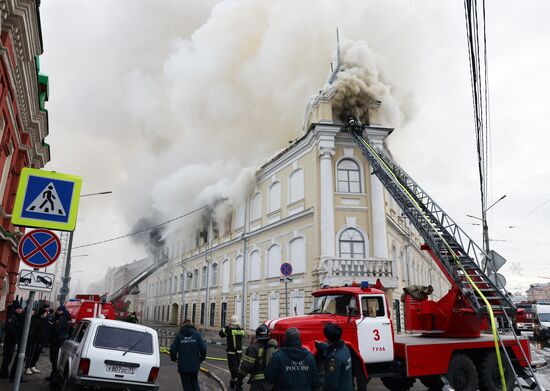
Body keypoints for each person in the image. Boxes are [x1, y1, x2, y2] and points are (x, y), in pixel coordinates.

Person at [237, 324, 278, 391]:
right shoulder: (273, 347)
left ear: (257, 335)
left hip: (258, 385)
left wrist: (239, 380)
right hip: (272, 384)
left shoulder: (253, 348)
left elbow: (246, 366)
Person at [170, 319, 207, 391]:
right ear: (191, 325)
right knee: (195, 382)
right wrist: (202, 358)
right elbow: (204, 348)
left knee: (186, 385)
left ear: (183, 325)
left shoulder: (179, 336)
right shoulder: (197, 334)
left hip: (183, 366)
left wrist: (174, 358)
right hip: (194, 365)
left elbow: (173, 349)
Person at [315, 323, 353, 391]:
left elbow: (331, 384)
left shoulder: (333, 360)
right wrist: (322, 346)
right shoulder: (345, 348)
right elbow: (335, 350)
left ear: (327, 338)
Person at [219, 314, 245, 390]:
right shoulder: (241, 329)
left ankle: (238, 386)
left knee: (233, 369)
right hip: (239, 352)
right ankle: (232, 384)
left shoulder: (229, 330)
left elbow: (221, 334)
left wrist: (226, 326)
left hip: (231, 353)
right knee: (236, 368)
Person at [47, 306, 71, 384]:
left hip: (57, 342)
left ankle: (54, 378)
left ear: (61, 311)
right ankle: (53, 376)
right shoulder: (63, 319)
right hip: (59, 342)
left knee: (55, 360)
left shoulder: (61, 319)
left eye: (58, 310)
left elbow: (56, 329)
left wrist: (52, 326)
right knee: (55, 360)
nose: (56, 311)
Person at [0, 303, 24, 379]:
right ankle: (4, 373)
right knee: (7, 357)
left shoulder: (14, 316)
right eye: (18, 309)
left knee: (8, 357)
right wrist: (16, 335)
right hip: (10, 340)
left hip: (11, 340)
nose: (20, 310)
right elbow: (9, 328)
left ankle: (4, 372)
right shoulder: (12, 316)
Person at [25, 307, 49, 375]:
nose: (46, 314)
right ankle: (27, 367)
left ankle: (32, 365)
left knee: (36, 354)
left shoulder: (44, 320)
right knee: (31, 354)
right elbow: (34, 330)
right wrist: (38, 336)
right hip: (34, 340)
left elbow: (45, 330)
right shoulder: (36, 319)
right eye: (45, 313)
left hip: (40, 341)